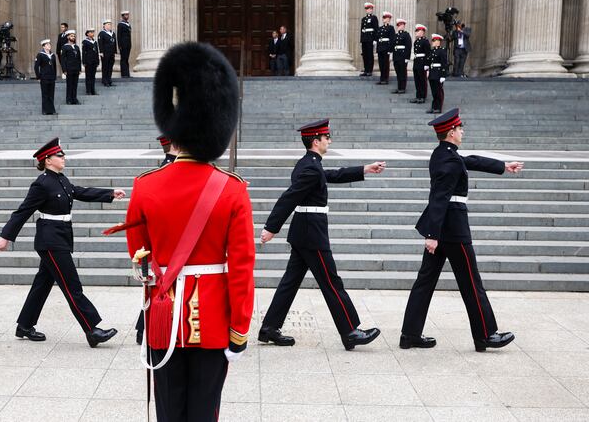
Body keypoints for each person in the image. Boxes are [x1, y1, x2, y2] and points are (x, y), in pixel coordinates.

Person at [122, 42, 254, 420]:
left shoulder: (145, 185)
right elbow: (242, 268)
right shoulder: (232, 189)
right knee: (204, 411)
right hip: (213, 321)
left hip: (163, 318)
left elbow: (141, 259)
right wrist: (239, 330)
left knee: (168, 411)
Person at [400, 109, 523, 352]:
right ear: (451, 132)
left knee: (425, 282)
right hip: (453, 230)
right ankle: (486, 335)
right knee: (471, 282)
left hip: (443, 229)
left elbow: (471, 160)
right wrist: (432, 235)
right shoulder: (449, 159)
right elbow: (439, 197)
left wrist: (503, 166)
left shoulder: (443, 155)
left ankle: (410, 334)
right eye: (460, 129)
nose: (462, 131)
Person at [259, 119, 385, 350]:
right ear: (316, 141)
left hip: (305, 231)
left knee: (291, 281)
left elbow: (332, 175)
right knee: (331, 281)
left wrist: (365, 168)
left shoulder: (310, 163)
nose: (330, 140)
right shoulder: (310, 166)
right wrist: (271, 227)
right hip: (311, 233)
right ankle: (350, 331)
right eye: (327, 137)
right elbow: (290, 197)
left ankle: (269, 328)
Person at [0, 137, 124, 346]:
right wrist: (6, 236)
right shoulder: (41, 184)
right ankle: (92, 330)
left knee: (42, 284)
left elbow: (80, 192)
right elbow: (23, 211)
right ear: (47, 160)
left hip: (61, 236)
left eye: (63, 154)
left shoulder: (61, 179)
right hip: (50, 241)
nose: (63, 157)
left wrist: (109, 193)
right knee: (72, 285)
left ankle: (25, 325)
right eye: (59, 155)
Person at [133, 134, 180, 346]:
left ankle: (142, 328)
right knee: (159, 287)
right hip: (167, 239)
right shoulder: (167, 171)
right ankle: (145, 329)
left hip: (166, 237)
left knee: (158, 287)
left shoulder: (165, 169)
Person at [427, 34, 449, 114]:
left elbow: (444, 64)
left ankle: (438, 107)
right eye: (432, 40)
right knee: (433, 92)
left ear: (438, 42)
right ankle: (434, 107)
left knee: (438, 91)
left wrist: (443, 75)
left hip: (438, 73)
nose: (432, 42)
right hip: (432, 73)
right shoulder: (432, 51)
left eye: (433, 41)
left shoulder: (442, 51)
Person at [410, 24, 431, 104]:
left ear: (422, 32)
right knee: (417, 80)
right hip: (417, 62)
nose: (416, 32)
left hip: (422, 62)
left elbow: (428, 54)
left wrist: (427, 64)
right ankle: (418, 96)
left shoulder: (425, 42)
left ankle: (423, 96)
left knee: (422, 80)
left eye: (417, 31)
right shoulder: (416, 41)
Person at [34, 39, 56, 115]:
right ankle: (45, 110)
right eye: (47, 44)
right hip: (44, 77)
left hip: (51, 77)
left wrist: (54, 76)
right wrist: (38, 77)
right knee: (45, 94)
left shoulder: (52, 55)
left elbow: (54, 66)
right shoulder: (40, 55)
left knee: (51, 94)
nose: (49, 45)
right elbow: (36, 67)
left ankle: (51, 110)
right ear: (43, 46)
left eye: (49, 44)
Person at [61, 30, 81, 105]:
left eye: (74, 36)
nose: (73, 37)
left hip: (76, 69)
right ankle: (69, 99)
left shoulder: (76, 47)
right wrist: (64, 69)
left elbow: (79, 58)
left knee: (75, 85)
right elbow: (63, 59)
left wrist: (79, 69)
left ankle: (74, 99)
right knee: (69, 85)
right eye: (72, 36)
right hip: (69, 69)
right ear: (68, 37)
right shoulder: (65, 47)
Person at [392, 19, 412, 94]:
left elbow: (408, 47)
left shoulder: (406, 35)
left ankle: (402, 88)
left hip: (403, 56)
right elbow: (393, 45)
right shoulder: (396, 35)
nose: (400, 27)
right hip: (396, 56)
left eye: (401, 25)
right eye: (399, 25)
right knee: (398, 72)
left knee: (402, 73)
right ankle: (399, 87)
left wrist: (407, 58)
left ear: (404, 26)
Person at [359, 2, 379, 76]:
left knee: (370, 54)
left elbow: (376, 29)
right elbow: (362, 30)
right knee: (365, 55)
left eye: (370, 9)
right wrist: (361, 40)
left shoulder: (374, 18)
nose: (368, 10)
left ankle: (370, 70)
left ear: (372, 10)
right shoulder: (364, 19)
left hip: (370, 39)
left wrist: (375, 40)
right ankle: (366, 69)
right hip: (364, 39)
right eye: (367, 9)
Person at [376, 12, 395, 85]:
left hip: (386, 48)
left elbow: (392, 39)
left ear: (389, 19)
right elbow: (378, 38)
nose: (384, 19)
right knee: (381, 64)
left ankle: (386, 78)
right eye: (383, 18)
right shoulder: (380, 28)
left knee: (386, 64)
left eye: (385, 18)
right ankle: (382, 78)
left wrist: (390, 50)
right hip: (380, 47)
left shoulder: (391, 28)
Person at [98, 19, 117, 87]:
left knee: (110, 67)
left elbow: (115, 43)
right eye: (108, 24)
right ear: (104, 25)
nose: (109, 26)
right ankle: (104, 80)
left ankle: (109, 80)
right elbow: (100, 43)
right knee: (105, 67)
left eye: (110, 24)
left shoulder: (113, 33)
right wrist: (101, 52)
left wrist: (115, 51)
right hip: (105, 53)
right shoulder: (102, 33)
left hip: (111, 53)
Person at [82, 28, 100, 96]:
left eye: (93, 32)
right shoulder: (85, 42)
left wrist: (97, 61)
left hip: (94, 61)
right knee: (88, 76)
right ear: (87, 33)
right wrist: (84, 62)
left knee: (93, 76)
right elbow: (84, 52)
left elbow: (96, 52)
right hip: (88, 61)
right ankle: (88, 90)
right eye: (91, 32)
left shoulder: (95, 42)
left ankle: (93, 90)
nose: (92, 33)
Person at [117, 11, 132, 78]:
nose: (127, 16)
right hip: (123, 45)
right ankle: (123, 74)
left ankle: (127, 74)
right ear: (122, 16)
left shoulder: (128, 24)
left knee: (126, 59)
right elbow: (119, 35)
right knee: (123, 59)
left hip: (128, 44)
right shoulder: (120, 24)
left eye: (128, 15)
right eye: (126, 15)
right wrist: (119, 45)